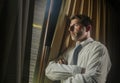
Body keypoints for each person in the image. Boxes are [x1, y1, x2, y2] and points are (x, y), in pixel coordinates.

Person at [45, 14, 111, 83]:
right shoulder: (69, 51)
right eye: (70, 26)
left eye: (76, 25)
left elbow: (92, 80)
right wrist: (78, 70)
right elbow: (49, 70)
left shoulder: (98, 49)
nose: (70, 29)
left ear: (88, 28)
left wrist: (63, 73)